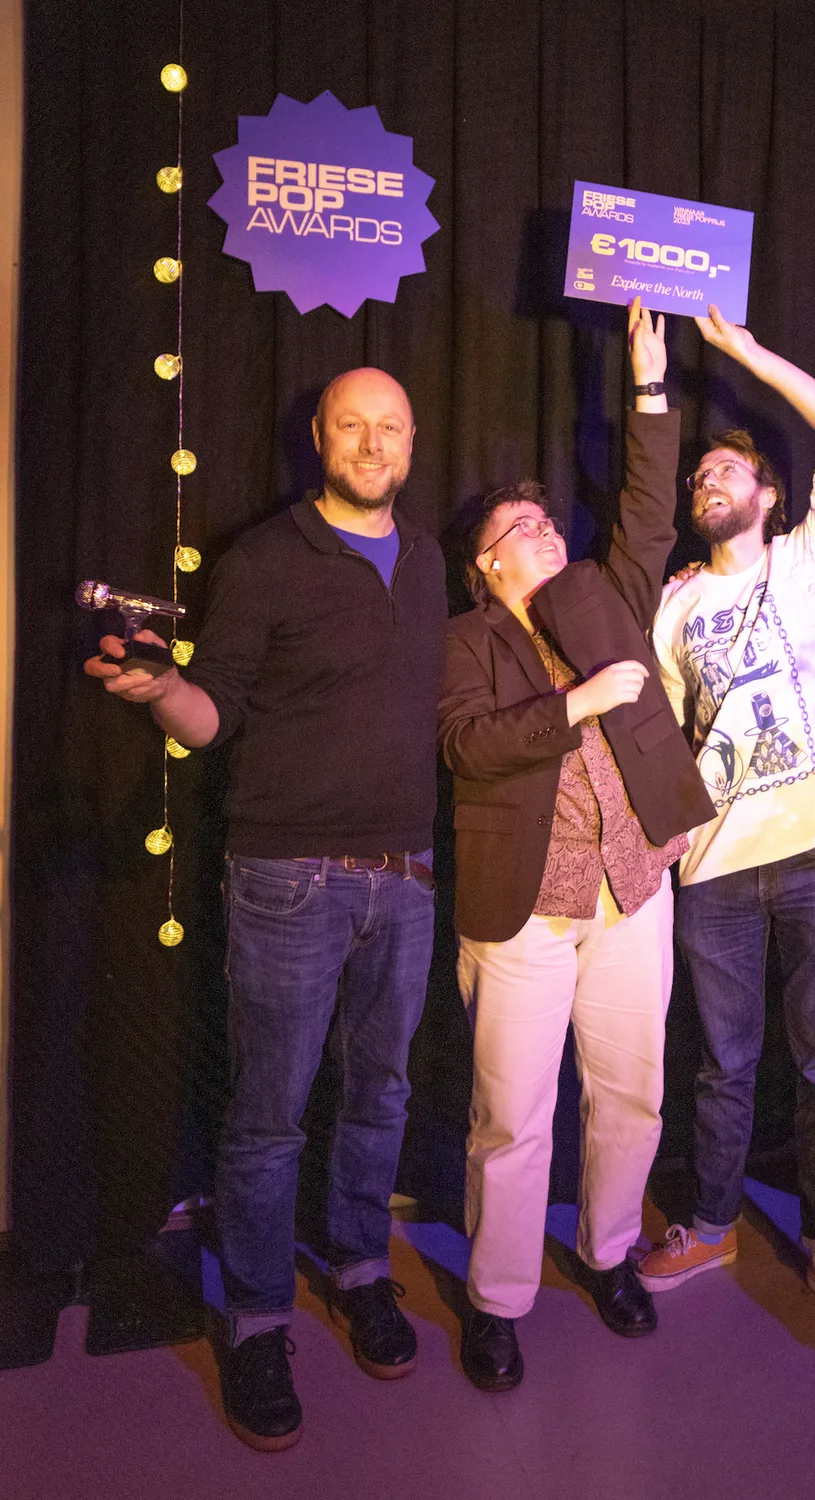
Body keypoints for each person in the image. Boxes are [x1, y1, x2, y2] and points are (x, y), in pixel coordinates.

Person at [85, 368, 446, 1452]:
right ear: (319, 438)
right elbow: (215, 719)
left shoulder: (430, 561)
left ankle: (360, 1266)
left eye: (389, 427)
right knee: (269, 1114)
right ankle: (254, 1318)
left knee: (381, 1094)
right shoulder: (264, 559)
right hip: (288, 880)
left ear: (412, 441)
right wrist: (161, 693)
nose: (372, 444)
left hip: (409, 876)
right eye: (352, 426)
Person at [439, 300, 715, 1392]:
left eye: (548, 521)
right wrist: (578, 703)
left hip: (635, 891)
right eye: (523, 529)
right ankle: (497, 1300)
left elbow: (646, 512)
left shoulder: (602, 597)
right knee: (512, 1117)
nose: (546, 534)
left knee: (632, 1094)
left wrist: (648, 384)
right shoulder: (463, 641)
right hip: (525, 909)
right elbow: (467, 745)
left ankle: (608, 1255)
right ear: (486, 565)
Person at [640, 304, 815, 1341]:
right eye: (699, 475)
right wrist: (667, 836)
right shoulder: (673, 604)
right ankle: (712, 1225)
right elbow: (659, 733)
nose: (708, 482)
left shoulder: (807, 559)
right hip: (718, 866)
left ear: (768, 494)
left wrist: (744, 355)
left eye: (727, 470)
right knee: (722, 1064)